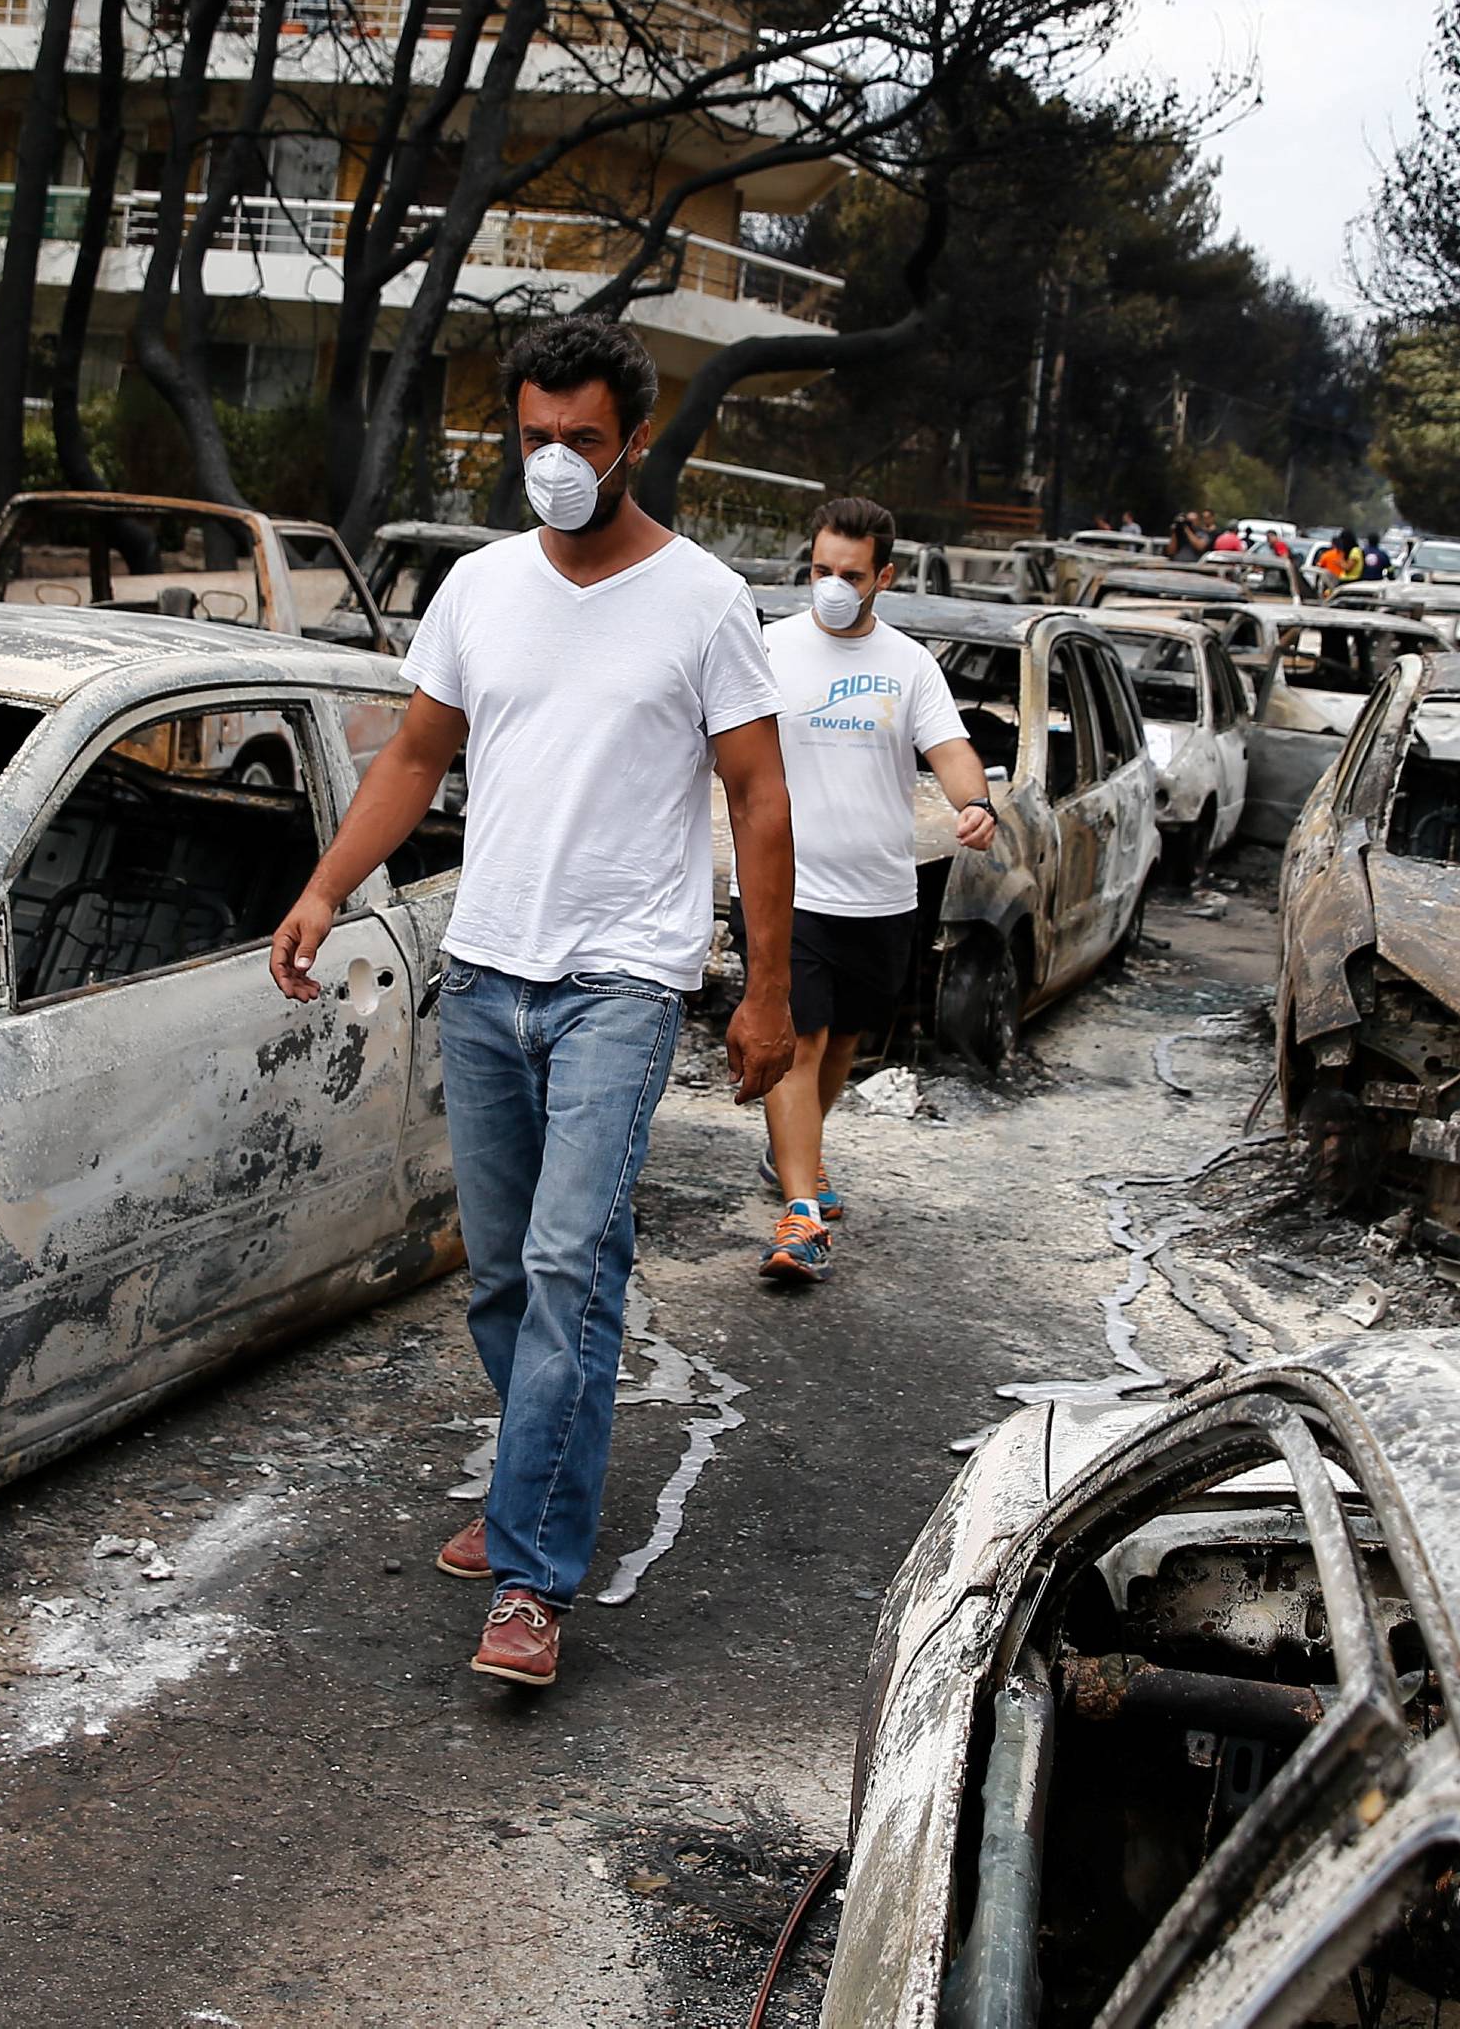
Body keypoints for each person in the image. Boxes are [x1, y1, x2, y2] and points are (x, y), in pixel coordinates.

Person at [268, 315, 795, 1689]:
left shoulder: (704, 601)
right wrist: (326, 886)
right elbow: (415, 755)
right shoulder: (480, 586)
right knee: (500, 1272)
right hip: (487, 965)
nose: (553, 460)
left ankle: (532, 1575)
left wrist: (766, 990)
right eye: (533, 436)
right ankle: (532, 1479)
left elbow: (757, 796)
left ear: (633, 437)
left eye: (580, 438)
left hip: (624, 980)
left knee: (572, 1264)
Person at [731, 498, 997, 1282]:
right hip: (787, 887)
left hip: (880, 893)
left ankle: (794, 1159)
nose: (833, 586)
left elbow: (949, 749)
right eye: (821, 571)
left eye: (851, 574)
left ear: (884, 575)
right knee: (799, 1039)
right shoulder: (767, 648)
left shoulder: (909, 663)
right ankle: (802, 1215)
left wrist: (975, 803)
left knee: (842, 1041)